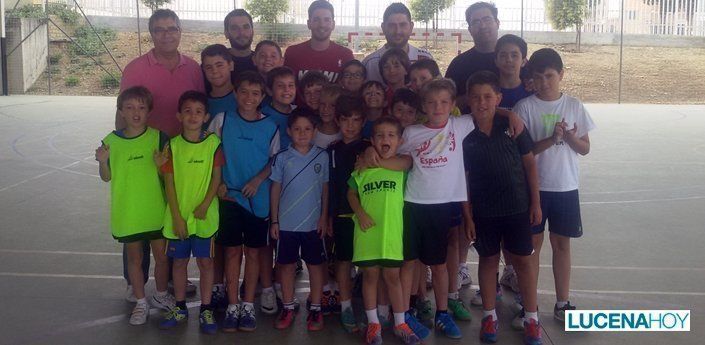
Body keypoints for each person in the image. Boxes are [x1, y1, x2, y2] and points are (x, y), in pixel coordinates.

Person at [118, 9, 204, 297]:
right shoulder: (135, 68)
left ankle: (170, 279)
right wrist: (119, 152)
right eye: (160, 29)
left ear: (180, 32)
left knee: (172, 214)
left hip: (180, 156)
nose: (166, 34)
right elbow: (123, 112)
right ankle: (136, 282)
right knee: (139, 215)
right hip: (145, 155)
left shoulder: (193, 68)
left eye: (172, 28)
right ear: (152, 34)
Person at [514, 48, 595, 325]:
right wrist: (551, 138)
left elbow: (584, 148)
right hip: (535, 189)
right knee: (532, 247)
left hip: (565, 187)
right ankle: (529, 307)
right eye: (539, 77)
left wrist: (570, 137)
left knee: (562, 245)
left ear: (561, 74)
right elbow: (521, 152)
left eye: (550, 76)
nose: (545, 82)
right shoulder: (524, 108)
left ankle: (563, 302)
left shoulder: (573, 105)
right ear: (531, 79)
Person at [462, 71, 542, 345]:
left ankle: (532, 318)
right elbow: (464, 178)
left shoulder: (513, 127)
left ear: (498, 98)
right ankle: (489, 316)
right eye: (475, 97)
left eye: (488, 97)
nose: (482, 102)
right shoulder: (464, 132)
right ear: (468, 101)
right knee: (488, 261)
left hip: (517, 207)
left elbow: (530, 164)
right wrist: (468, 213)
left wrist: (536, 202)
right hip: (484, 211)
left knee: (522, 261)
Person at [208, 71, 280, 332]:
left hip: (257, 201)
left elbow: (274, 162)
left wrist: (259, 180)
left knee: (253, 253)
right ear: (236, 93)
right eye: (244, 92)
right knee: (231, 252)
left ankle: (248, 304)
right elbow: (210, 155)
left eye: (256, 93)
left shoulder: (270, 126)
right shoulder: (222, 120)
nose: (250, 98)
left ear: (262, 97)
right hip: (229, 198)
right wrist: (218, 183)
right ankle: (232, 304)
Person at [96, 86, 172, 325]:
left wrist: (162, 165)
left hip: (156, 211)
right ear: (121, 111)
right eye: (129, 107)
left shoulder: (159, 138)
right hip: (128, 213)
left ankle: (161, 295)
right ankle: (140, 302)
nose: (135, 113)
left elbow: (168, 176)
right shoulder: (110, 142)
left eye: (141, 107)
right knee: (135, 260)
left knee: (162, 257)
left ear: (149, 111)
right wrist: (103, 162)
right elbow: (106, 177)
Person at [347, 117, 419, 345]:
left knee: (392, 279)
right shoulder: (361, 170)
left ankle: (400, 323)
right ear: (372, 140)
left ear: (399, 141)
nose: (385, 139)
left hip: (391, 236)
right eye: (379, 135)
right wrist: (360, 213)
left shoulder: (400, 166)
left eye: (391, 135)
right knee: (369, 277)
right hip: (367, 234)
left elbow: (405, 163)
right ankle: (373, 324)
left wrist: (372, 158)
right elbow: (351, 193)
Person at [159, 91, 223, 334]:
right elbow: (169, 183)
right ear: (179, 116)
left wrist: (206, 204)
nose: (193, 115)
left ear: (206, 116)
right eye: (187, 111)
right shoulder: (172, 146)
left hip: (205, 217)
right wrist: (176, 216)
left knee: (206, 262)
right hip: (179, 217)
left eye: (198, 111)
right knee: (180, 262)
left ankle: (206, 308)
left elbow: (216, 179)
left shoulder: (213, 143)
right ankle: (180, 307)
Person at [270, 110, 330, 331]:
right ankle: (287, 307)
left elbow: (325, 189)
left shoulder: (321, 157)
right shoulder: (282, 158)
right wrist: (274, 221)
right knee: (285, 267)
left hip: (313, 224)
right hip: (286, 225)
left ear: (315, 131)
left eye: (307, 129)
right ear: (289, 131)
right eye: (297, 129)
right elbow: (275, 189)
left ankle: (315, 308)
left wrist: (323, 217)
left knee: (315, 267)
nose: (302, 133)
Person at [327, 94, 369, 333]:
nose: (350, 125)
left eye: (355, 120)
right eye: (345, 120)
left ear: (363, 122)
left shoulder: (369, 148)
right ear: (337, 120)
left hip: (366, 215)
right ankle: (345, 307)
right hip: (342, 215)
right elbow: (330, 186)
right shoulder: (332, 150)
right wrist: (328, 216)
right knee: (342, 262)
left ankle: (374, 309)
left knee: (368, 263)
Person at [445, 2, 501, 112]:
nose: (482, 26)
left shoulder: (513, 61)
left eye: (487, 19)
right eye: (476, 22)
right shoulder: (458, 64)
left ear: (497, 23)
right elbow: (445, 101)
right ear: (470, 29)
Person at [284, 0, 354, 83]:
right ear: (309, 23)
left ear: (333, 24)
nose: (322, 25)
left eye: (327, 20)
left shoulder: (345, 55)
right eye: (316, 20)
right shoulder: (292, 53)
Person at [362, 3, 433, 84]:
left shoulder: (426, 58)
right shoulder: (370, 64)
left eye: (403, 25)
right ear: (383, 28)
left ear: (411, 27)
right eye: (392, 26)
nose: (397, 31)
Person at [201, 44, 237, 130]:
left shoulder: (243, 99)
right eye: (209, 67)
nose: (214, 71)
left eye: (219, 65)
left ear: (231, 66)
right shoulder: (201, 103)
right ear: (203, 70)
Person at [262, 66, 298, 150]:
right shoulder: (262, 116)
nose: (287, 89)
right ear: (269, 91)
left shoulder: (300, 113)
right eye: (280, 86)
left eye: (291, 85)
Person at [496, 34, 532, 110]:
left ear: (523, 62)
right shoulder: (488, 93)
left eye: (514, 55)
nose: (509, 59)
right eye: (503, 55)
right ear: (496, 61)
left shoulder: (532, 92)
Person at [224, 9, 257, 75]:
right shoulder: (217, 65)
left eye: (246, 27)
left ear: (253, 32)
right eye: (234, 28)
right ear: (226, 33)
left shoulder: (263, 63)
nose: (241, 33)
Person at [314, 84, 344, 148]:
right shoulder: (310, 130)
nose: (325, 109)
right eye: (322, 104)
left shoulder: (345, 133)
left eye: (332, 105)